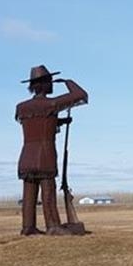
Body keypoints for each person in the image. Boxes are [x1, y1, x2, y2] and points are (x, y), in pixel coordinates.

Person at [15, 65, 88, 235]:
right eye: (50, 81)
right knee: (48, 194)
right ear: (46, 84)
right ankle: (53, 225)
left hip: (26, 156)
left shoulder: (21, 108)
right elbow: (81, 95)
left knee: (29, 196)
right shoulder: (53, 104)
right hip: (45, 155)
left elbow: (37, 123)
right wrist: (68, 82)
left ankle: (28, 227)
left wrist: (58, 122)